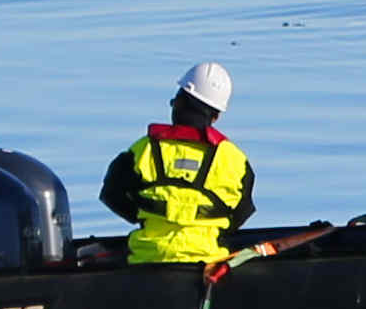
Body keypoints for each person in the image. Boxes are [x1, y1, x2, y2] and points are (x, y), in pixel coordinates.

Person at [102, 62, 255, 264]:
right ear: (216, 116)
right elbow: (241, 213)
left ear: (177, 104)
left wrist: (144, 217)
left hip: (146, 259)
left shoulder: (143, 150)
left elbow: (110, 195)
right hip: (208, 262)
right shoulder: (234, 160)